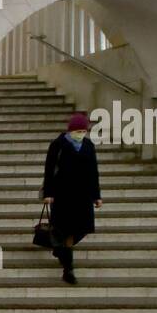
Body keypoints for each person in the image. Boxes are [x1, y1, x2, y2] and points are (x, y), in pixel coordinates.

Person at [41, 113, 102, 285]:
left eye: (84, 130)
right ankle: (68, 269)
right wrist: (48, 193)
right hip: (63, 195)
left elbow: (93, 172)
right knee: (66, 230)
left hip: (83, 196)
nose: (81, 133)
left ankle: (60, 249)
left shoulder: (88, 145)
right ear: (70, 130)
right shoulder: (58, 145)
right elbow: (49, 169)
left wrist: (97, 196)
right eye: (78, 130)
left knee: (82, 229)